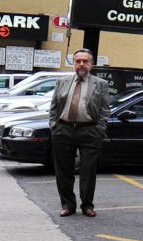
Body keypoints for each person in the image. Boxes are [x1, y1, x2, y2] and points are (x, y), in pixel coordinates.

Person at [49, 48, 111, 218]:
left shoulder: (100, 84)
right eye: (78, 61)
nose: (81, 64)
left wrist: (99, 129)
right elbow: (53, 107)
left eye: (85, 61)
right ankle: (68, 205)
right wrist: (54, 126)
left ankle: (87, 205)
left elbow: (105, 109)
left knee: (88, 171)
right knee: (63, 171)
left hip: (89, 130)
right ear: (73, 63)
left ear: (91, 64)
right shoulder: (62, 82)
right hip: (63, 129)